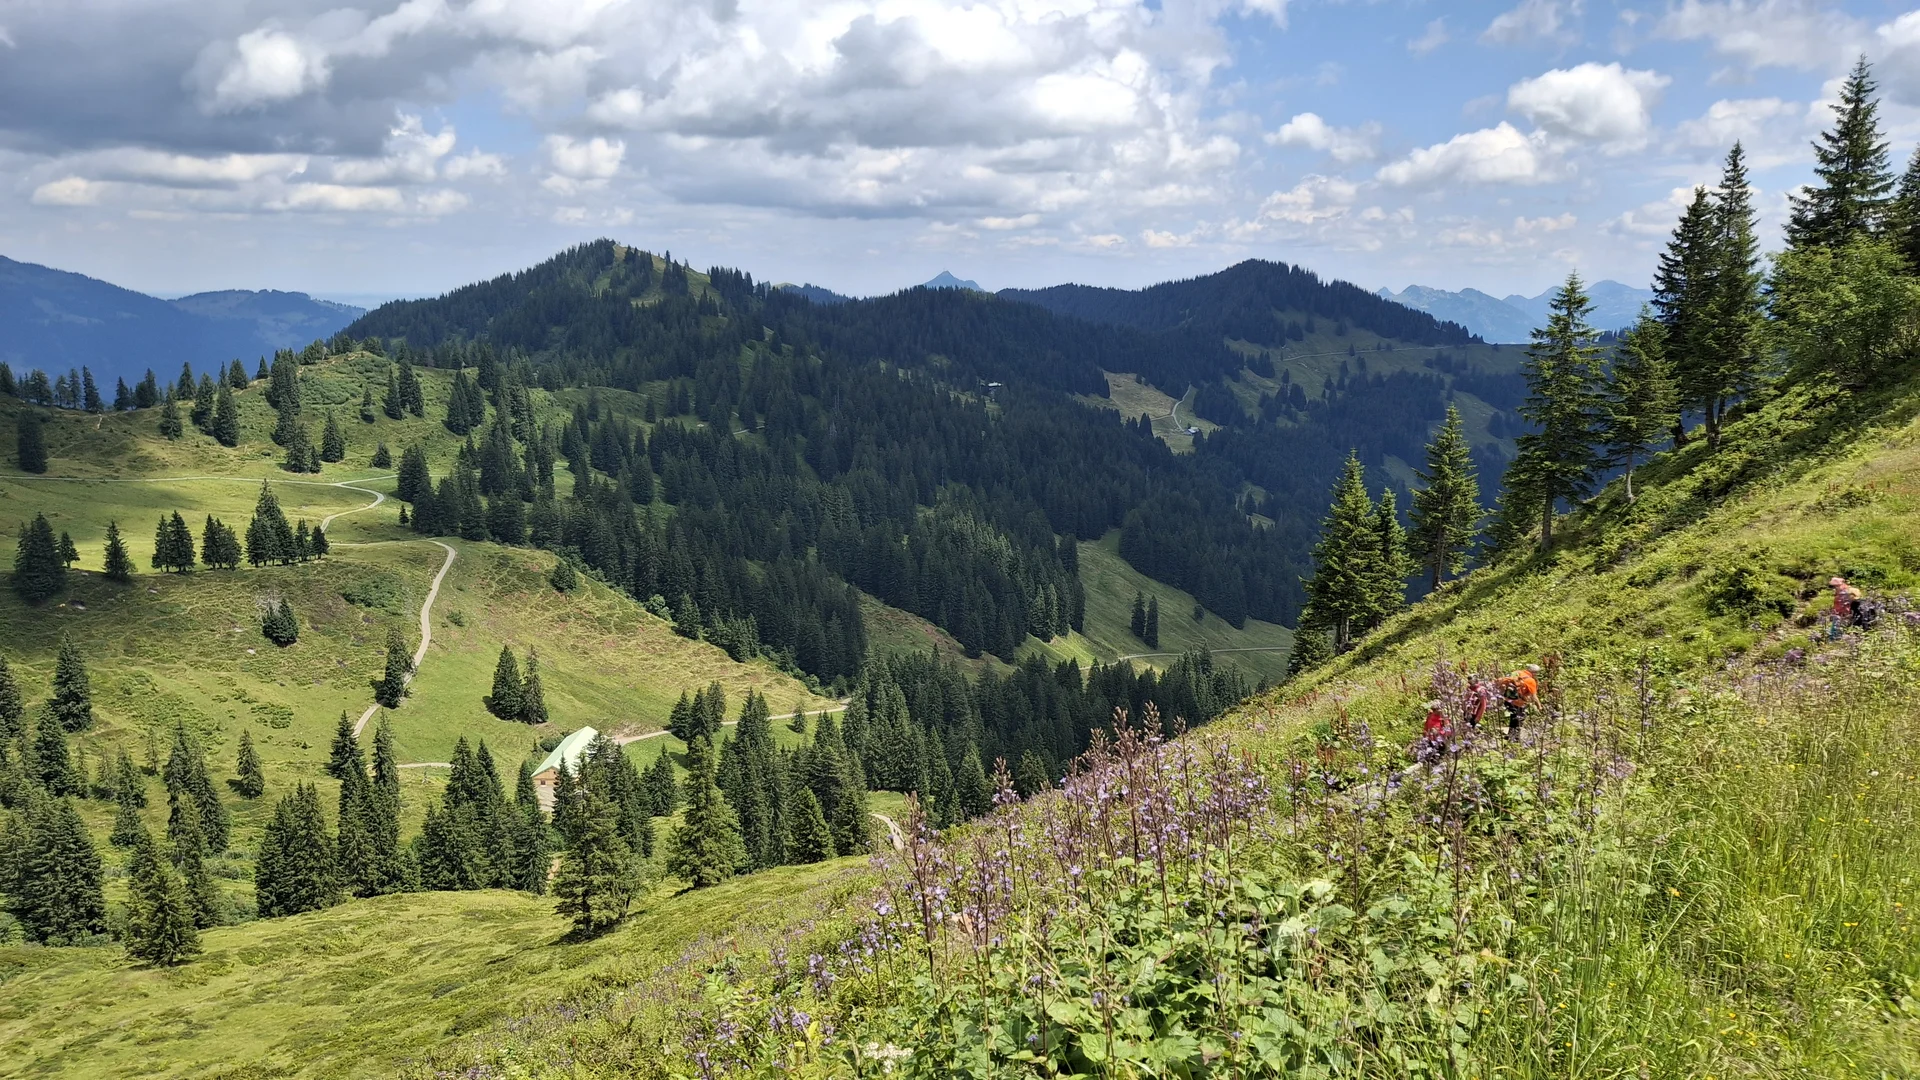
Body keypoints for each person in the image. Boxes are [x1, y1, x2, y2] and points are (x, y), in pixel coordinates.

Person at [1499, 665, 1539, 739]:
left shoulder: (1516, 673)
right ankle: (1514, 738)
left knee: (1513, 717)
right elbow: (1534, 697)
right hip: (1518, 702)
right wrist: (1539, 706)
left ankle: (1510, 736)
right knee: (1519, 718)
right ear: (1534, 673)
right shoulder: (1531, 680)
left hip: (1506, 699)